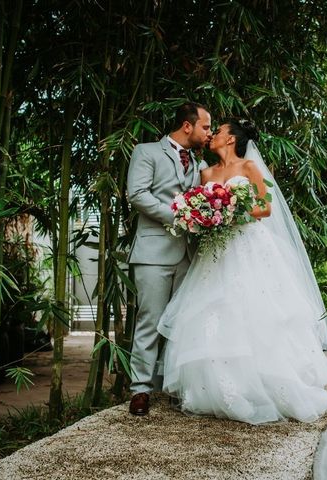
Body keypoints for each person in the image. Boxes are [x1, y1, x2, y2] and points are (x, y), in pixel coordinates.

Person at [157, 119, 327, 425]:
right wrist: (207, 214)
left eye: (219, 131)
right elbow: (200, 207)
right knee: (215, 312)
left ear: (230, 140)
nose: (212, 135)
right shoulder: (206, 172)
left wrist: (229, 209)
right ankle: (219, 389)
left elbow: (265, 207)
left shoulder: (249, 167)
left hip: (250, 246)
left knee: (257, 311)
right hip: (217, 250)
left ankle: (267, 383)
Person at [126, 102, 212, 416]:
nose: (209, 133)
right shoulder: (146, 151)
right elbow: (137, 194)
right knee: (150, 321)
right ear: (187, 126)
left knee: (182, 324)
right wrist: (179, 216)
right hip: (153, 253)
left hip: (188, 254)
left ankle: (176, 386)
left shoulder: (199, 162)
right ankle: (140, 390)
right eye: (205, 126)